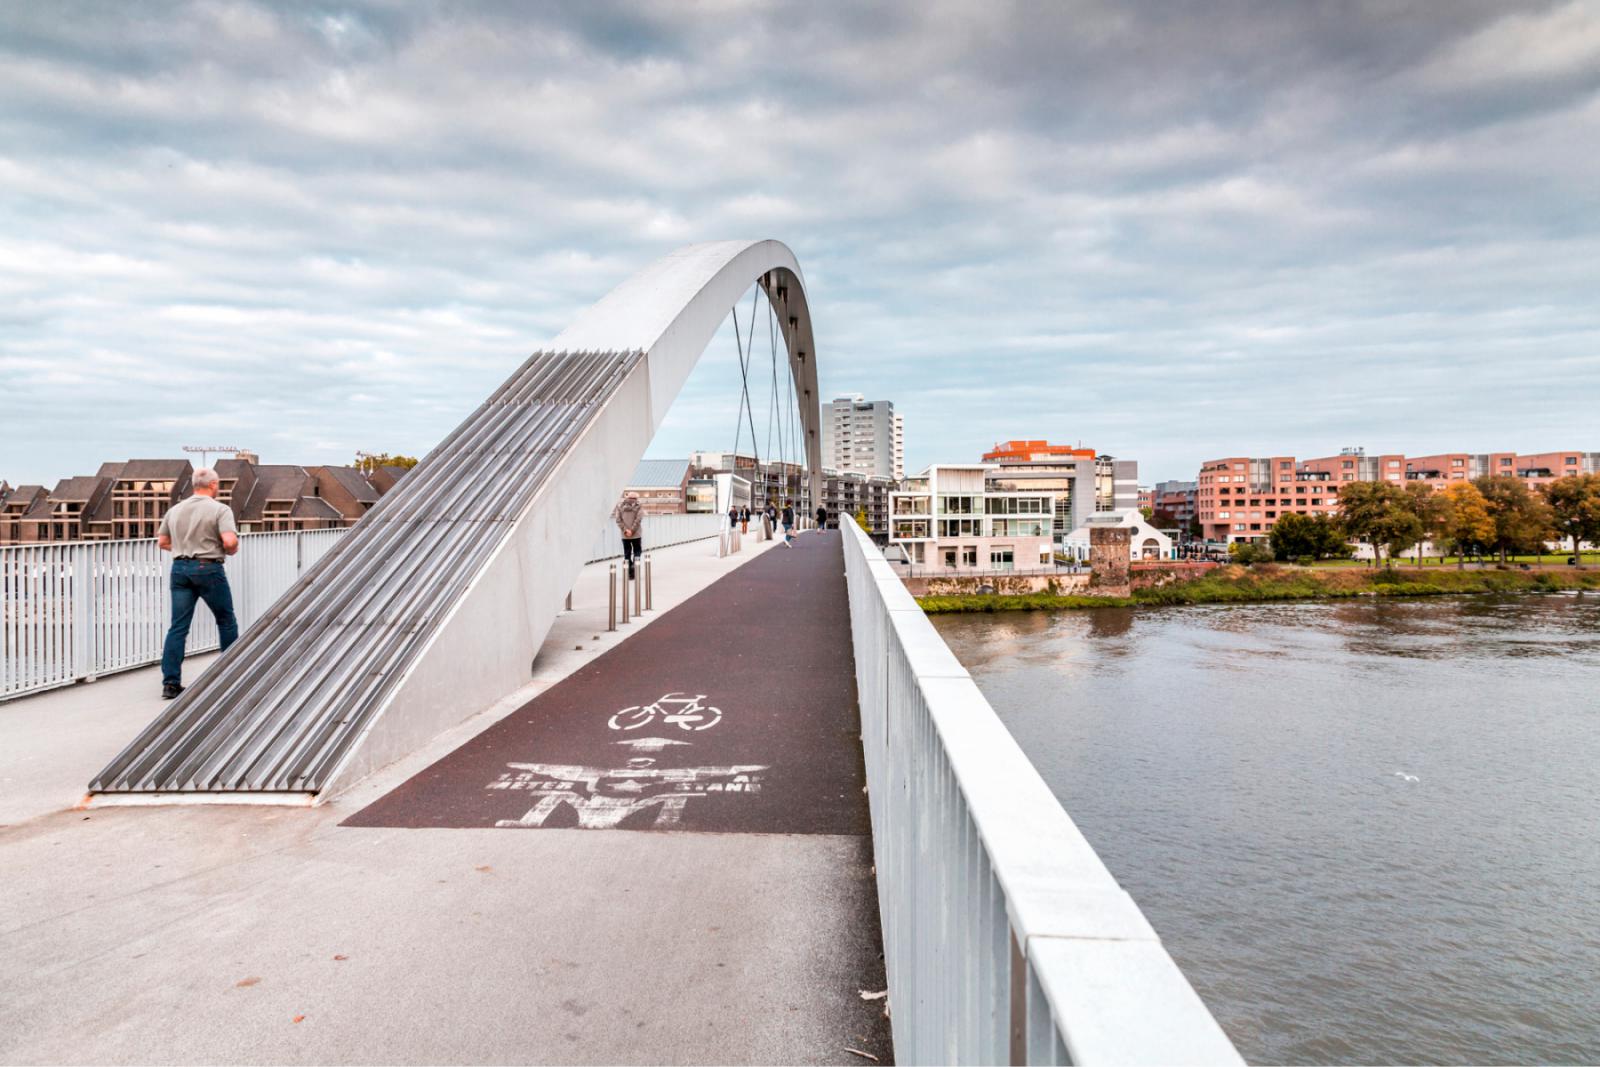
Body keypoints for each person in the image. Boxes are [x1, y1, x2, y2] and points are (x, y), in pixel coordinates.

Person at [157, 468, 240, 699]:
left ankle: (170, 683)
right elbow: (230, 540)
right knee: (225, 621)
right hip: (208, 568)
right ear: (213, 484)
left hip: (180, 569)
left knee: (178, 627)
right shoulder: (220, 509)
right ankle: (231, 675)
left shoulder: (175, 510)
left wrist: (185, 549)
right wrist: (229, 549)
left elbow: (162, 541)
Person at [613, 491, 644, 578]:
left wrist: (625, 530)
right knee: (637, 550)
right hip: (636, 534)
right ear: (636, 498)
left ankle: (629, 572)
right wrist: (632, 530)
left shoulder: (620, 506)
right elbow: (638, 519)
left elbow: (618, 520)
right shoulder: (638, 506)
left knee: (627, 553)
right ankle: (635, 564)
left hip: (625, 535)